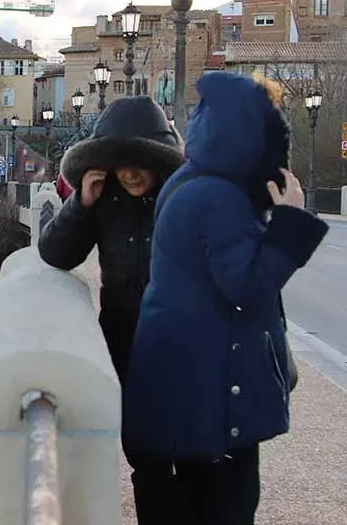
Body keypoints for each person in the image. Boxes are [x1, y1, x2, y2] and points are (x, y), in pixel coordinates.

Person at [122, 71, 329, 524]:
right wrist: (291, 222)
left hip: (191, 391)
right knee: (227, 508)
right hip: (213, 401)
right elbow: (249, 288)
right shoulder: (219, 198)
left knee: (197, 501)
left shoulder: (191, 183)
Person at [36, 96, 185, 523]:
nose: (132, 173)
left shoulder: (183, 199)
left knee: (194, 455)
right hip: (126, 343)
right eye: (122, 163)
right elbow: (55, 253)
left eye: (141, 162)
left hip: (182, 345)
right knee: (145, 455)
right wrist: (80, 203)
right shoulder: (103, 202)